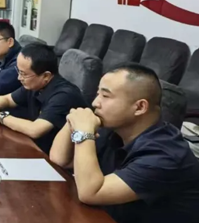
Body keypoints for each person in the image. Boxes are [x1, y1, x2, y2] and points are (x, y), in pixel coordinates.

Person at [49, 63, 199, 223]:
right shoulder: (115, 128)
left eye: (106, 96)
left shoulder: (166, 156)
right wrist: (74, 120)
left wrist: (83, 132)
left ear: (140, 107)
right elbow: (60, 159)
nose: (95, 102)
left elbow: (90, 193)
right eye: (98, 93)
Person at [0, 43, 87, 154]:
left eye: (23, 74)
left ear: (46, 75)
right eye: (19, 72)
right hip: (37, 147)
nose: (19, 78)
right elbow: (8, 99)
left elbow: (36, 130)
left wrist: (0, 117)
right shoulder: (35, 84)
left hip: (57, 158)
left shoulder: (64, 95)